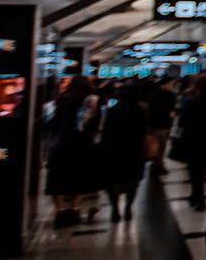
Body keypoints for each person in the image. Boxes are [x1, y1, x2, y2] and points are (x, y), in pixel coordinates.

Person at [46, 76, 102, 227]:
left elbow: (50, 122)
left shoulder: (60, 99)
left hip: (59, 145)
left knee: (57, 179)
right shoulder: (91, 101)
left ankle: (59, 211)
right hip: (80, 146)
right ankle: (75, 210)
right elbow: (89, 125)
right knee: (77, 178)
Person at [99, 85, 148, 223]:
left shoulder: (113, 110)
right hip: (134, 150)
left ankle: (115, 208)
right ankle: (128, 207)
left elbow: (106, 132)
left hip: (114, 150)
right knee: (133, 181)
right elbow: (144, 131)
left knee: (112, 180)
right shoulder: (140, 110)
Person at [174, 75, 206, 211]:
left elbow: (182, 121)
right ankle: (197, 195)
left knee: (193, 169)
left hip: (191, 139)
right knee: (203, 169)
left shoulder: (190, 101)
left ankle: (197, 195)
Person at [146, 78, 178, 176]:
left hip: (165, 124)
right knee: (158, 147)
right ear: (164, 84)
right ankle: (157, 166)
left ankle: (158, 165)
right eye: (171, 84)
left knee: (161, 147)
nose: (172, 86)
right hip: (159, 125)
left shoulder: (169, 95)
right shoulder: (157, 96)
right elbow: (154, 112)